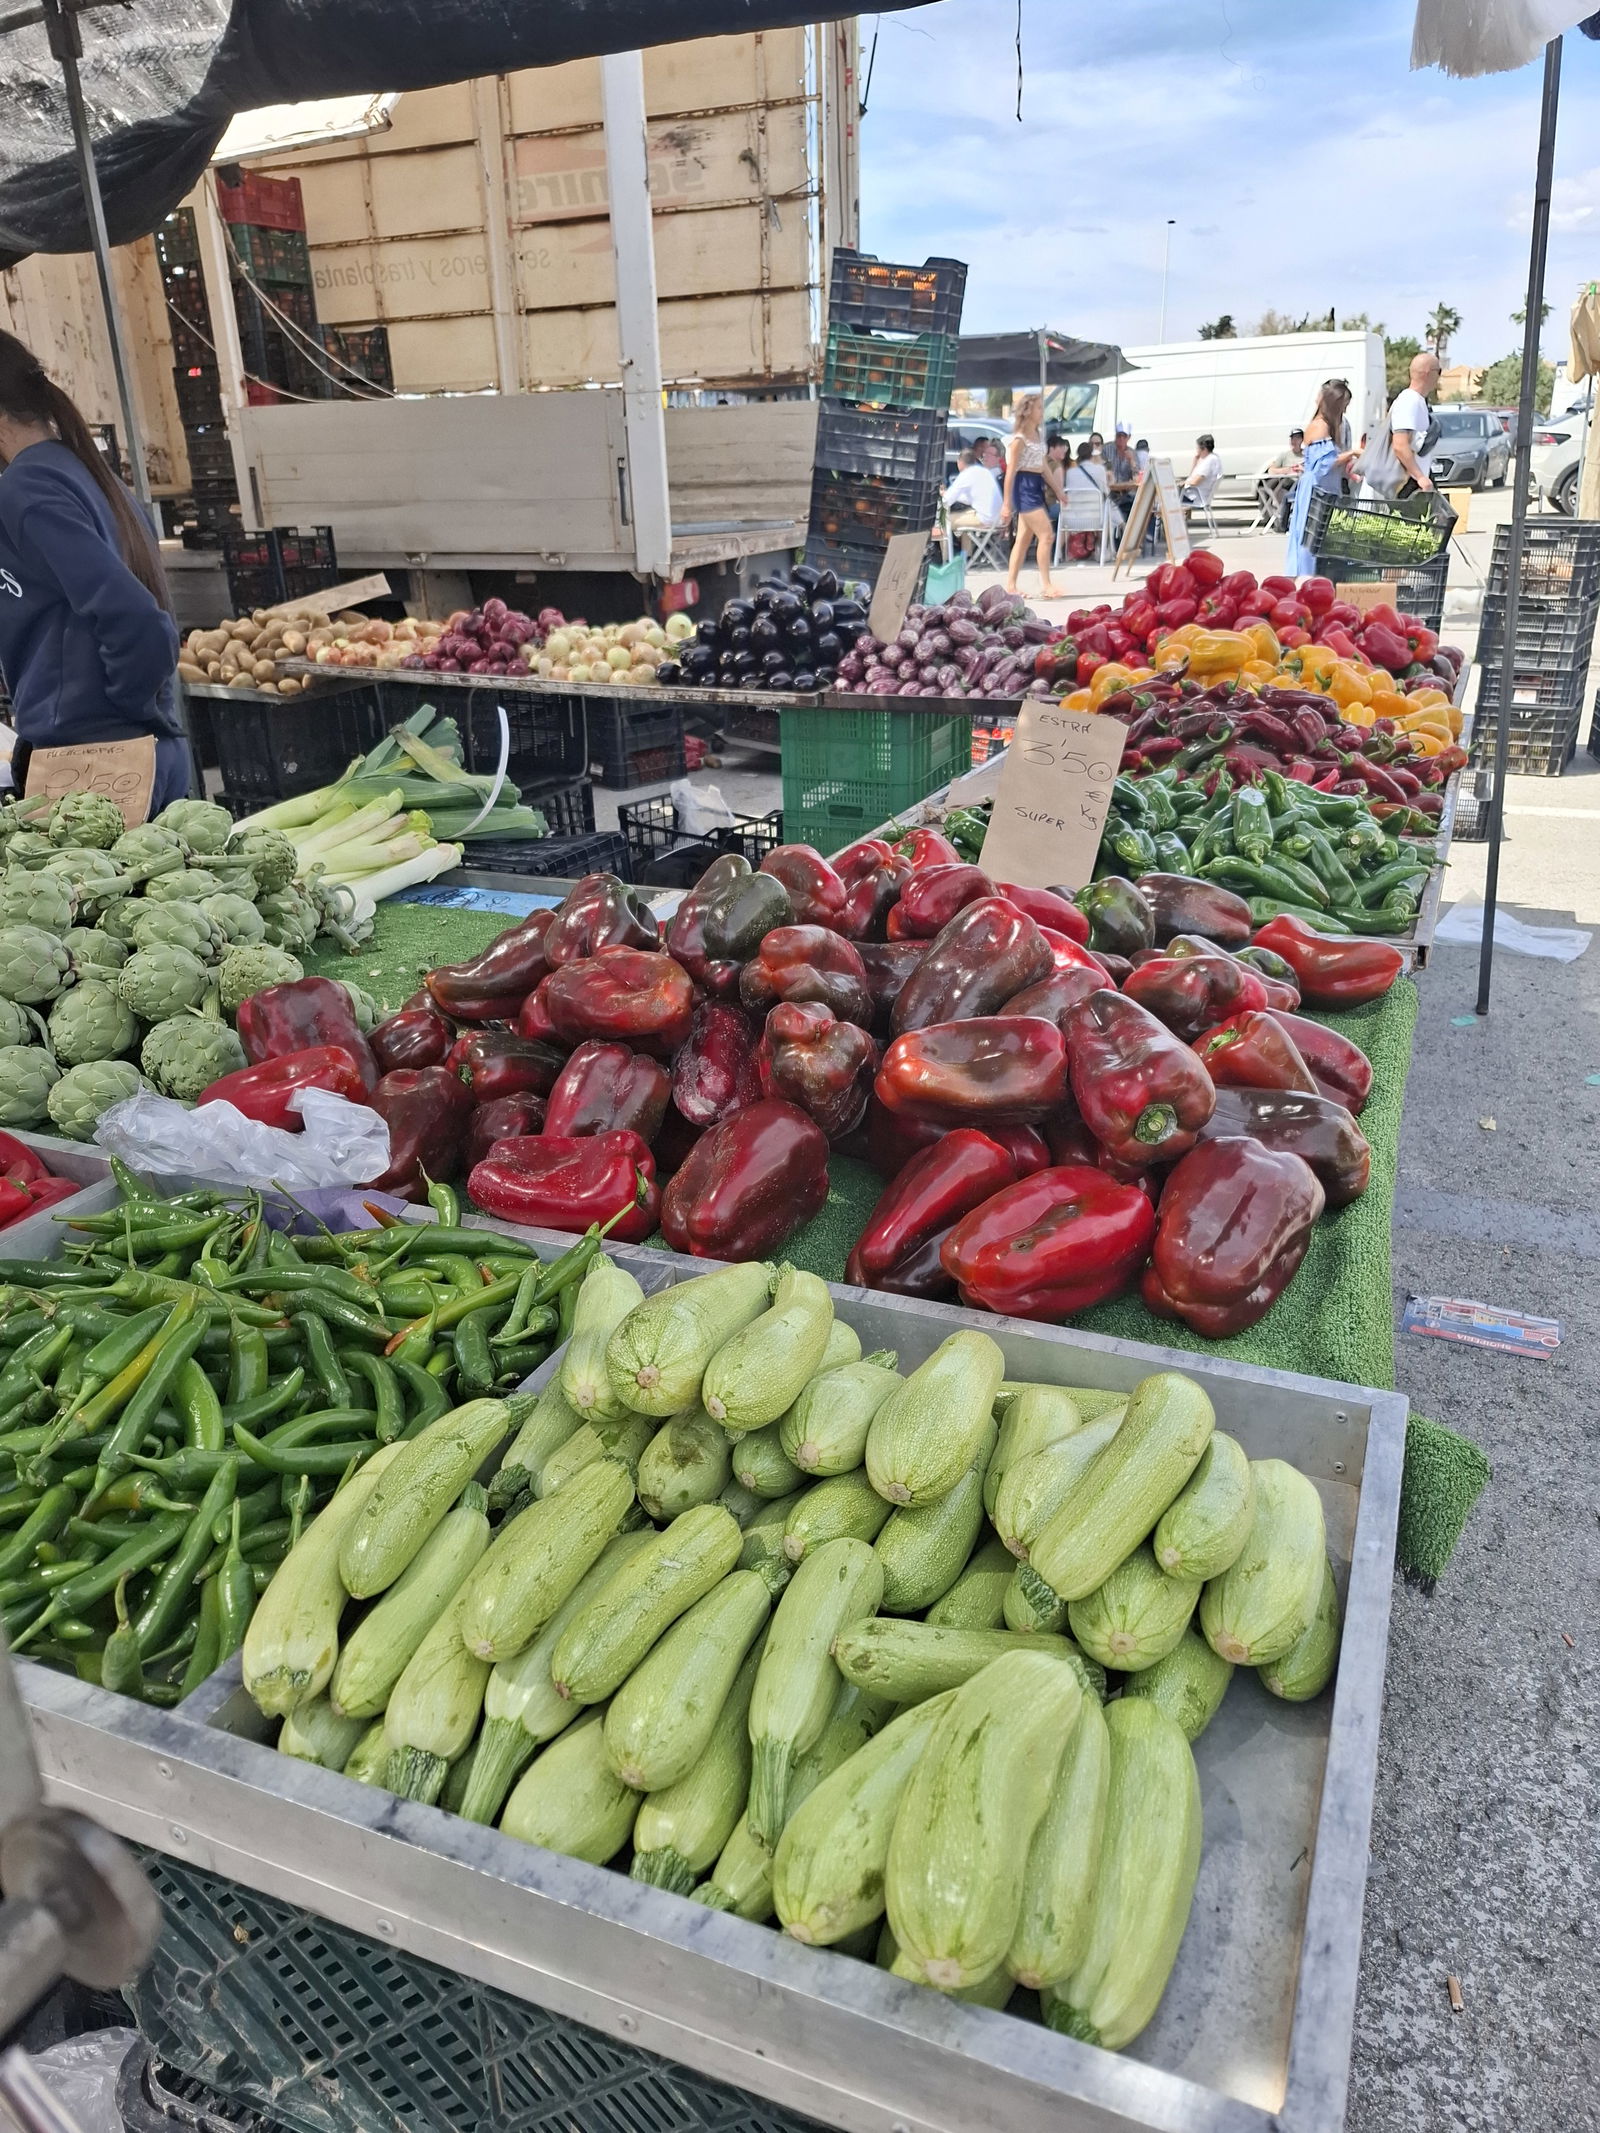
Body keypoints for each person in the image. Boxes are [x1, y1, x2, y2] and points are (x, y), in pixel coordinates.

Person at [0, 331, 186, 811]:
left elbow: (138, 619)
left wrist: (123, 711)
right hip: (137, 753)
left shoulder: (27, 487)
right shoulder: (87, 475)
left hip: (93, 765)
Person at [1286, 378, 1359, 576]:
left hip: (1324, 489)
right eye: (1343, 406)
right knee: (1310, 540)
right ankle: (1305, 579)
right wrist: (1352, 453)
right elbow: (1323, 465)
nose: (1344, 411)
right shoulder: (1320, 427)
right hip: (1316, 491)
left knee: (1317, 541)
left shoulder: (1328, 426)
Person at [1001, 392, 1064, 598]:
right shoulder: (1019, 439)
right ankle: (1046, 585)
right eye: (1038, 408)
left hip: (1036, 485)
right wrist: (1006, 503)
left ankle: (1010, 585)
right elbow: (1010, 472)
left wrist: (1058, 491)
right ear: (1028, 411)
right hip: (1024, 486)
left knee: (1023, 540)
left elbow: (1044, 466)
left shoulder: (1037, 435)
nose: (1041, 412)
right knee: (1046, 535)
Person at [1359, 350, 1441, 499]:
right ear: (1428, 373)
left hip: (1411, 482)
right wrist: (1420, 477)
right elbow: (1400, 445)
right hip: (1404, 485)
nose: (1440, 377)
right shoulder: (1409, 401)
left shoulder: (1417, 401)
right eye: (1439, 371)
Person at [943, 441, 1003, 530]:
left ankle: (943, 544)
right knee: (965, 516)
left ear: (959, 462)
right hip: (998, 518)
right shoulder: (984, 471)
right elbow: (972, 498)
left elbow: (947, 500)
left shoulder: (965, 474)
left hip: (985, 519)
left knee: (944, 520)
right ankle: (965, 544)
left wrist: (943, 493)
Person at [1181, 432, 1223, 509]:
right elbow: (1192, 477)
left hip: (1195, 497)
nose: (1196, 450)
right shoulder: (1213, 458)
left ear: (1204, 449)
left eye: (1197, 448)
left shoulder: (1209, 461)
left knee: (1164, 498)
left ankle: (1159, 520)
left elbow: (1195, 482)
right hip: (1199, 495)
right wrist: (1195, 462)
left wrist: (1183, 483)